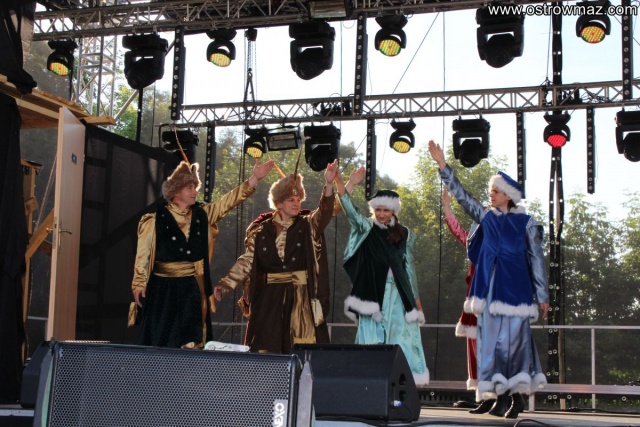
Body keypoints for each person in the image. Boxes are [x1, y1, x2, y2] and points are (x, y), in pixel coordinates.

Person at [428, 140, 549, 419]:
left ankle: (517, 399)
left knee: (516, 346)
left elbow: (536, 260)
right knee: (491, 346)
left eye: (495, 191)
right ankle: (500, 398)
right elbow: (463, 197)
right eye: (491, 191)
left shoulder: (527, 223)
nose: (490, 195)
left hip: (515, 293)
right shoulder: (487, 218)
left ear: (508, 196)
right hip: (489, 290)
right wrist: (443, 165)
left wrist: (542, 296)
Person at [131, 158, 274, 348]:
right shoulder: (154, 220)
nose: (195, 192)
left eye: (195, 187)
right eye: (190, 188)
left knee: (191, 338)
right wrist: (139, 282)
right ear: (176, 191)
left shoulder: (203, 214)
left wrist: (254, 179)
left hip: (192, 288)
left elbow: (226, 203)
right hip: (163, 289)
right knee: (162, 337)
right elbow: (143, 254)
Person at [214, 160, 338, 353]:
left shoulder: (307, 225)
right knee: (267, 347)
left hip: (300, 299)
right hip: (270, 298)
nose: (296, 203)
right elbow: (247, 261)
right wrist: (225, 284)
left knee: (302, 350)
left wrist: (329, 184)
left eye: (298, 200)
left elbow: (324, 213)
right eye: (291, 200)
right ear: (279, 204)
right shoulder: (261, 231)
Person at [336, 166, 430, 386]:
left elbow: (408, 267)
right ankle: (369, 382)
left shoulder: (405, 233)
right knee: (372, 337)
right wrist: (344, 183)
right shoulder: (366, 227)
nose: (381, 214)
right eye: (378, 210)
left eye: (386, 210)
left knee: (400, 337)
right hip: (373, 290)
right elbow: (350, 211)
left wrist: (415, 298)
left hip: (398, 292)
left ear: (393, 211)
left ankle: (399, 382)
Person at [442, 189, 496, 413]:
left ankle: (498, 396)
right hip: (475, 297)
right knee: (476, 345)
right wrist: (447, 206)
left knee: (492, 346)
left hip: (494, 296)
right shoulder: (475, 242)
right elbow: (460, 233)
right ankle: (484, 396)